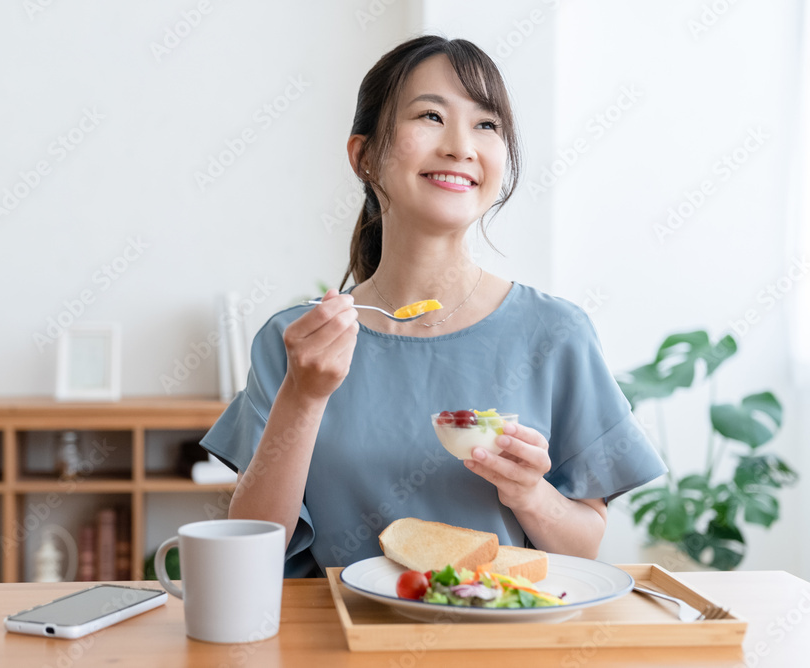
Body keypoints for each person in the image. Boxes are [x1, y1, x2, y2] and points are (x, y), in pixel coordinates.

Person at [201, 35, 666, 577]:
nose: (460, 146)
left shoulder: (555, 333)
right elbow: (255, 549)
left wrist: (530, 494)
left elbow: (583, 551)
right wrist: (303, 398)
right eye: (430, 115)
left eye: (487, 125)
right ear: (365, 156)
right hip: (333, 644)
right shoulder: (296, 342)